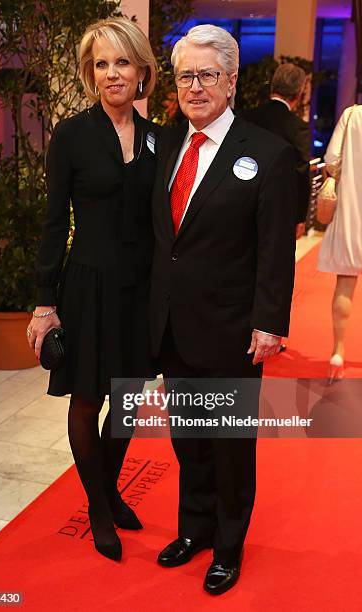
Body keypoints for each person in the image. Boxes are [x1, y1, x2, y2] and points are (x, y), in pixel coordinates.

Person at [149, 25, 296, 594]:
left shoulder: (268, 154)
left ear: (231, 82)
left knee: (229, 445)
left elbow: (274, 249)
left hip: (234, 329)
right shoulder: (168, 146)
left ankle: (228, 546)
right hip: (174, 327)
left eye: (207, 75)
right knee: (188, 438)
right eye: (186, 75)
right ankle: (195, 529)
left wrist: (270, 322)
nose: (195, 86)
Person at [26, 17, 159, 562]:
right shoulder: (73, 135)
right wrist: (43, 302)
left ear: (142, 71)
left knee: (128, 401)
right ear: (90, 73)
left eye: (122, 62)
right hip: (87, 285)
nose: (111, 73)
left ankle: (108, 487)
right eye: (101, 64)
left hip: (142, 290)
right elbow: (55, 222)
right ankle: (100, 507)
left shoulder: (160, 138)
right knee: (87, 398)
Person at [317, 104, 362, 383]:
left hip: (352, 211)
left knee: (345, 283)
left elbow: (332, 159)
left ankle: (338, 351)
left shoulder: (352, 115)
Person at [244, 62, 311, 240]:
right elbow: (301, 172)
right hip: (279, 209)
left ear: (272, 86)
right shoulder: (298, 128)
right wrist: (299, 217)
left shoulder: (245, 118)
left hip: (241, 202)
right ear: (299, 93)